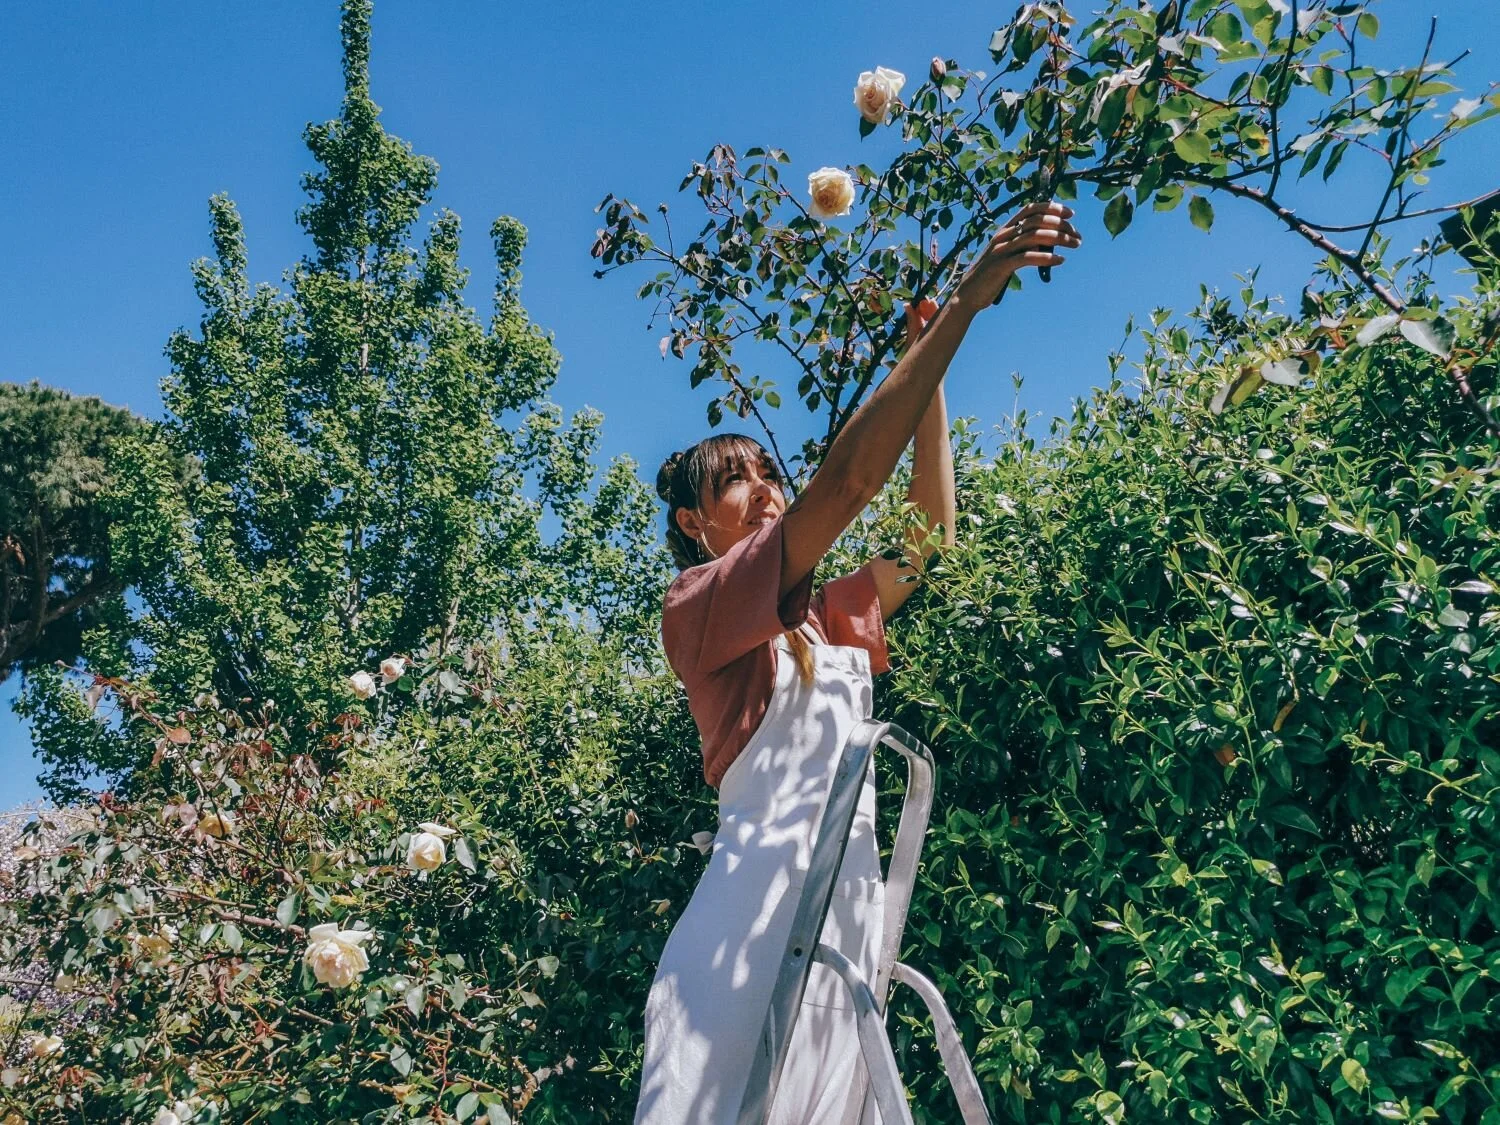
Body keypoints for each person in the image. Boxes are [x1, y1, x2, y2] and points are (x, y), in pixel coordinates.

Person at [636, 202, 1080, 1125]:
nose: (767, 489)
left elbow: (927, 540)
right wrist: (963, 303)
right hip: (744, 939)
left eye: (771, 472)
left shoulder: (830, 613)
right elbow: (847, 485)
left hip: (847, 931)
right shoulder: (700, 607)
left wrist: (936, 370)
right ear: (693, 522)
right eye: (737, 481)